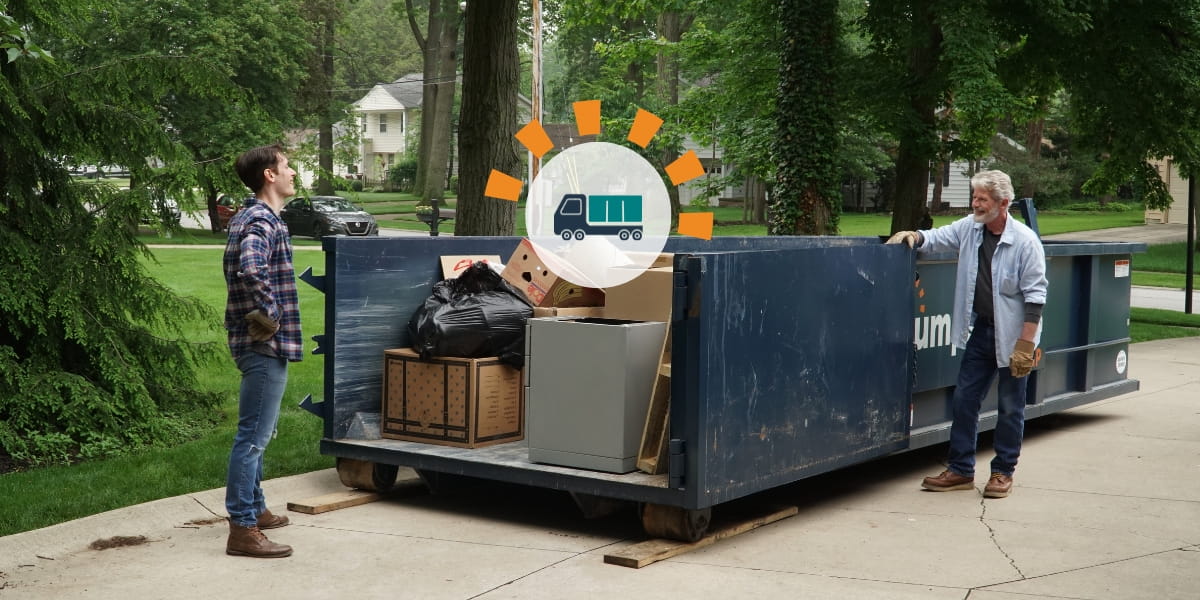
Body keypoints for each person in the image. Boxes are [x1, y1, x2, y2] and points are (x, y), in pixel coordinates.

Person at [887, 170, 1047, 499]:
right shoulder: (971, 228)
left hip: (1016, 337)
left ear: (1003, 204)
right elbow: (938, 237)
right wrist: (914, 237)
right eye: (974, 197)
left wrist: (1025, 346)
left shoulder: (1025, 242)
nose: (975, 204)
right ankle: (961, 469)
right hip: (984, 331)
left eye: (982, 199)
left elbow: (1035, 298)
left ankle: (1003, 473)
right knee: (964, 399)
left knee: (1010, 406)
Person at [222, 144, 302, 557]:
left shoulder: (255, 217)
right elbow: (252, 268)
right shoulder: (260, 220)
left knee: (259, 433)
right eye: (286, 166)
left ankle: (255, 508)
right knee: (252, 438)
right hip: (262, 344)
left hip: (258, 343)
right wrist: (270, 315)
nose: (292, 172)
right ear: (270, 175)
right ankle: (242, 528)